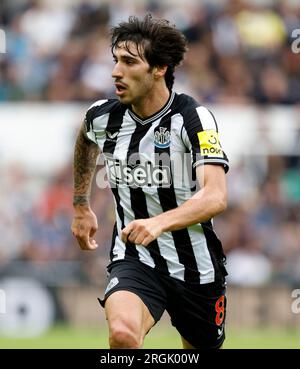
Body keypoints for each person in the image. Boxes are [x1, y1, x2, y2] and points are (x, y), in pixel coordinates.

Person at [71, 14, 229, 349]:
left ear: (160, 68)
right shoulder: (103, 117)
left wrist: (159, 223)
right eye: (115, 61)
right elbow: (85, 139)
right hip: (136, 258)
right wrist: (81, 205)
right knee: (124, 336)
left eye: (129, 62)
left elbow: (215, 196)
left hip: (196, 268)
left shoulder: (192, 118)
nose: (116, 71)